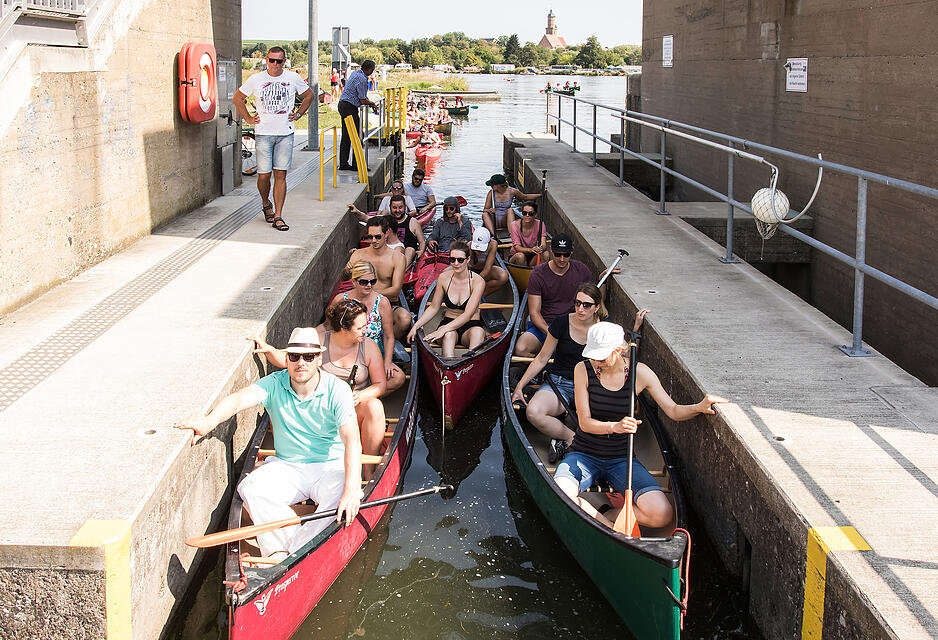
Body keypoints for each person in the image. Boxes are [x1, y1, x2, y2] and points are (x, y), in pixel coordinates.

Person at [175, 327, 361, 561]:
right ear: (287, 359)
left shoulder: (337, 390)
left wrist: (352, 490)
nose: (301, 363)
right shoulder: (274, 383)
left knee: (342, 496)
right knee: (250, 488)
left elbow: (352, 440)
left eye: (308, 357)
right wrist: (210, 420)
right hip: (288, 466)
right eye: (294, 357)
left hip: (329, 465)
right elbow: (239, 399)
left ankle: (296, 549)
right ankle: (283, 551)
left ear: (319, 359)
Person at [555, 322, 728, 529]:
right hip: (584, 453)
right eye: (593, 355)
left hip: (621, 458)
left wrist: (698, 406)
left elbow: (673, 410)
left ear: (618, 350)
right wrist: (615, 426)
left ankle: (609, 514)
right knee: (560, 492)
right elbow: (585, 423)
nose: (595, 362)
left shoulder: (641, 373)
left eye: (601, 357)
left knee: (662, 515)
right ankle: (610, 530)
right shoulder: (582, 369)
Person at [251, 301, 390, 479]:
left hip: (354, 405)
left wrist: (360, 395)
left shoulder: (368, 346)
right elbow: (291, 359)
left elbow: (380, 385)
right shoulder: (319, 340)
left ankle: (368, 470)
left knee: (375, 406)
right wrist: (269, 350)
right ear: (344, 328)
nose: (366, 330)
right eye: (360, 327)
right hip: (321, 407)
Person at [511, 285, 647, 461]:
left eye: (587, 305)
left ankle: (579, 442)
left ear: (597, 307)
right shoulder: (561, 323)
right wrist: (520, 386)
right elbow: (542, 358)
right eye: (577, 303)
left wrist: (635, 328)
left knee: (609, 421)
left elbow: (624, 353)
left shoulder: (605, 328)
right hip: (561, 383)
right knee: (533, 412)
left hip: (595, 385)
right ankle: (571, 438)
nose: (580, 309)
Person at [234, 46, 313, 232]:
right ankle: (265, 202)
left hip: (285, 133)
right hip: (263, 134)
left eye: (279, 61)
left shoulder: (292, 78)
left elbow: (309, 95)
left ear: (284, 62)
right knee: (264, 175)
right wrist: (248, 118)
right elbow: (238, 98)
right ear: (266, 60)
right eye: (271, 60)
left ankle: (278, 215)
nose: (275, 65)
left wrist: (299, 114)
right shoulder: (256, 79)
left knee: (281, 174)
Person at [513, 234, 618, 357]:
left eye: (566, 255)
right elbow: (534, 313)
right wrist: (551, 333)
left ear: (571, 253)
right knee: (520, 349)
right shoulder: (537, 274)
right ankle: (545, 364)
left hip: (575, 324)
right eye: (558, 254)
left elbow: (596, 301)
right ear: (551, 251)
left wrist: (603, 281)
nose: (562, 259)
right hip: (547, 325)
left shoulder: (581, 269)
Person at [330, 261, 406, 392]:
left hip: (374, 354)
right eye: (364, 282)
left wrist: (387, 361)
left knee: (398, 378)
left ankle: (360, 394)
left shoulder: (382, 302)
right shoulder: (340, 300)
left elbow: (388, 336)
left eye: (373, 281)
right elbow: (329, 329)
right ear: (354, 282)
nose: (369, 285)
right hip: (347, 352)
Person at [407, 240, 487, 357]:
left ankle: (471, 364)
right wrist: (416, 326)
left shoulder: (478, 281)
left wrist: (442, 330)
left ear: (468, 260)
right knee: (449, 335)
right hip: (448, 322)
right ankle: (448, 367)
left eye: (460, 260)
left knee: (478, 332)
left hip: (471, 325)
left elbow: (468, 314)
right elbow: (434, 307)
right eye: (452, 259)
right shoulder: (443, 278)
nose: (456, 263)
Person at [347, 217, 411, 340]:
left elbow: (395, 290)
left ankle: (386, 341)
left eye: (377, 237)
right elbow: (346, 280)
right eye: (370, 237)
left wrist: (370, 294)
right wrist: (348, 270)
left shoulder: (397, 258)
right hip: (361, 304)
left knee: (405, 319)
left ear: (387, 233)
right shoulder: (358, 254)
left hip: (388, 304)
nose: (373, 241)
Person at [338, 60, 379, 171]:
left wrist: (369, 102)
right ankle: (357, 165)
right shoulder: (362, 79)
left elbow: (362, 97)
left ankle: (343, 163)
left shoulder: (356, 73)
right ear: (370, 69)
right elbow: (362, 99)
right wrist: (372, 104)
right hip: (349, 108)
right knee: (358, 136)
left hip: (343, 105)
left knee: (347, 136)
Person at [468, 227, 508, 296]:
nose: (478, 251)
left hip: (484, 270)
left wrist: (476, 281)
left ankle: (480, 295)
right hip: (470, 271)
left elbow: (487, 268)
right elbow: (464, 267)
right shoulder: (469, 245)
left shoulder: (493, 244)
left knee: (503, 276)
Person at [508, 201, 548, 265]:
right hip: (518, 254)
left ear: (535, 214)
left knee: (546, 254)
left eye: (530, 213)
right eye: (524, 213)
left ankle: (538, 272)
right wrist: (530, 249)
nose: (527, 215)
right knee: (520, 257)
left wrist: (540, 248)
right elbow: (517, 247)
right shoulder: (514, 225)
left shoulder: (541, 224)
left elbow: (544, 244)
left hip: (533, 255)